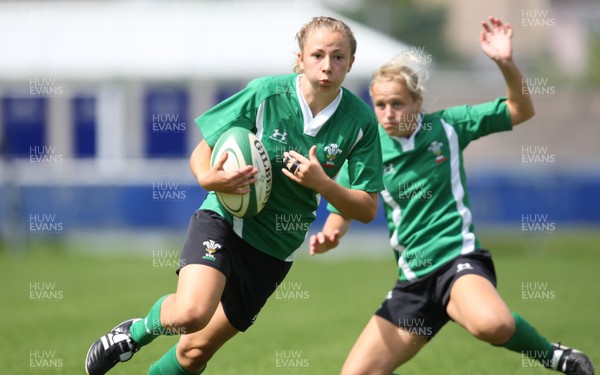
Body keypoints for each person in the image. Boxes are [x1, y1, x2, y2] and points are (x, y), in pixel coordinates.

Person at [84, 16, 384, 375]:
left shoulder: (361, 121)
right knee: (191, 314)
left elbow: (367, 208)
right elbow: (203, 150)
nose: (327, 65)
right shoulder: (265, 94)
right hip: (225, 218)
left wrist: (324, 185)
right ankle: (132, 334)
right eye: (317, 54)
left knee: (195, 351)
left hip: (276, 244)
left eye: (338, 57)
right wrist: (209, 178)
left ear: (351, 62)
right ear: (300, 58)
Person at [310, 16, 595, 375]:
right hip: (413, 280)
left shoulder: (447, 126)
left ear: (417, 102)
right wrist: (333, 230)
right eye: (379, 104)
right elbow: (351, 203)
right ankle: (450, 308)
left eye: (397, 103)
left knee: (493, 326)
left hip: (457, 262)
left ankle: (555, 357)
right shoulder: (370, 148)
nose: (387, 114)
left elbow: (521, 109)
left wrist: (505, 62)